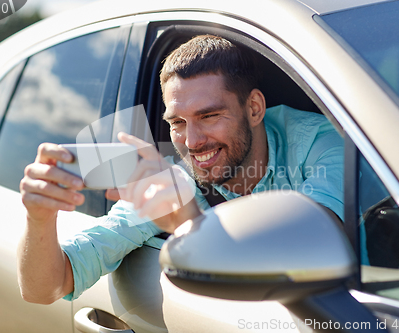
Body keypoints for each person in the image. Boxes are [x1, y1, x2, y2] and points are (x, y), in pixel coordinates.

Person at [17, 35, 344, 304]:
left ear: (254, 108)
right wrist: (39, 217)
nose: (192, 142)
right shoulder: (171, 181)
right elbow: (44, 288)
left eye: (209, 116)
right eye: (177, 123)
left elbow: (325, 242)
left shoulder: (322, 142)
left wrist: (190, 225)